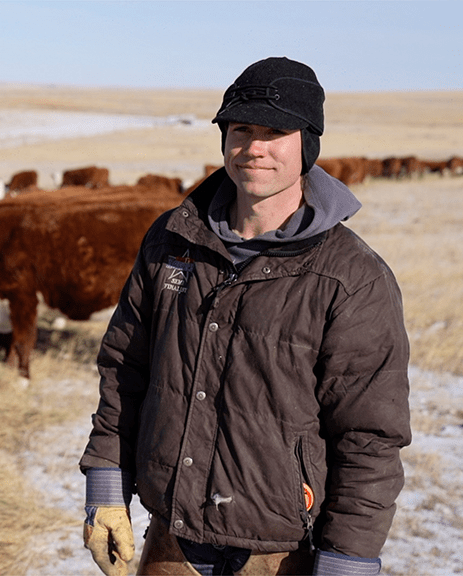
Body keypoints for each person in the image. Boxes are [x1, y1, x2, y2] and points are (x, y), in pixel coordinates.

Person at [79, 57, 411, 576]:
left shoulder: (351, 278)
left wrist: (349, 559)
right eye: (241, 129)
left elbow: (369, 437)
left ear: (308, 144)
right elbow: (125, 367)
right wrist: (106, 485)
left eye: (275, 131)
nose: (254, 146)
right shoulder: (172, 241)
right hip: (173, 535)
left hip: (279, 550)